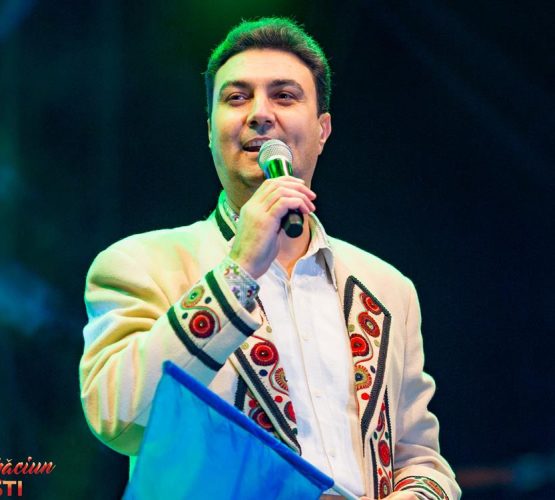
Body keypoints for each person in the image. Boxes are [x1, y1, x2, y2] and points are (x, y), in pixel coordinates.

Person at [79, 17, 461, 500]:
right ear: (210, 131)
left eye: (284, 96)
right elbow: (118, 417)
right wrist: (238, 270)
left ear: (322, 130)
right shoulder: (140, 264)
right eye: (237, 98)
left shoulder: (387, 288)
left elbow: (420, 458)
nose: (260, 114)